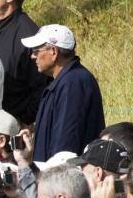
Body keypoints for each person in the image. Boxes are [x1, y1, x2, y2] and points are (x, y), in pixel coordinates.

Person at [27, 25, 104, 161]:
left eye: (36, 51)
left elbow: (65, 146)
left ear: (53, 52)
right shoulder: (65, 81)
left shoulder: (72, 83)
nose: (32, 56)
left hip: (63, 177)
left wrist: (54, 177)